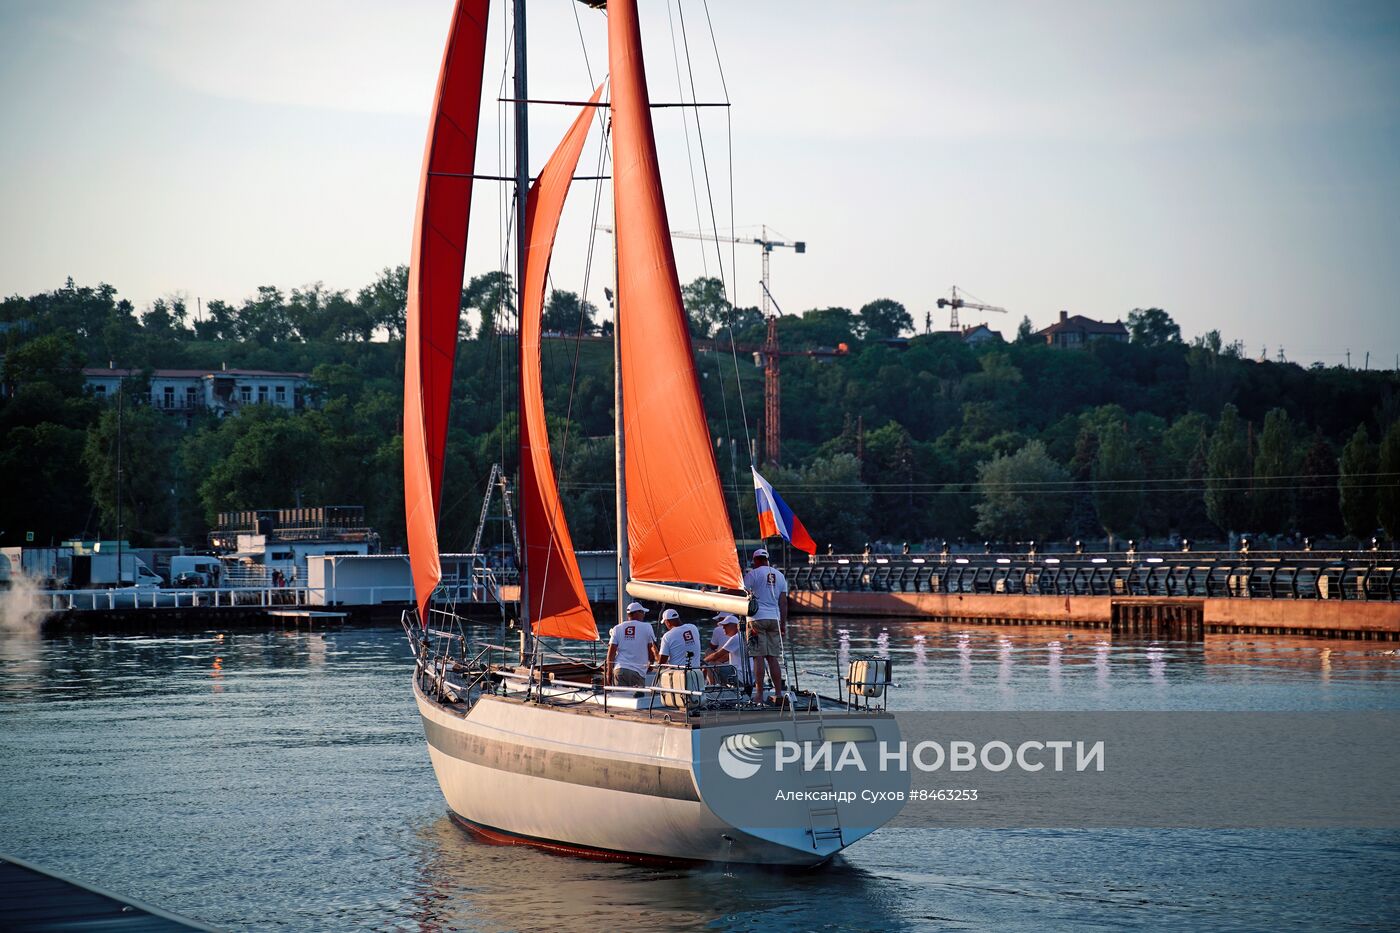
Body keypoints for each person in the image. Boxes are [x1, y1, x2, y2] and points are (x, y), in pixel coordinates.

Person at [742, 548, 788, 703]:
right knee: (773, 657)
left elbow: (740, 592)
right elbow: (783, 602)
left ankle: (759, 695)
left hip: (756, 619)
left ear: (755, 560)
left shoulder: (752, 574)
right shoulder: (780, 576)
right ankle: (779, 693)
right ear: (767, 559)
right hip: (774, 619)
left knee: (758, 657)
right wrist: (783, 624)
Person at [605, 602, 657, 688]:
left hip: (620, 670)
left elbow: (611, 652)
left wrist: (609, 672)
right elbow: (651, 648)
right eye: (643, 612)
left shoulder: (617, 628)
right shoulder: (647, 627)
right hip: (638, 672)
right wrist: (651, 664)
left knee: (621, 699)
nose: (644, 615)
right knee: (637, 698)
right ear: (637, 613)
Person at [703, 615, 749, 690]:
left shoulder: (736, 638)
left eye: (726, 625)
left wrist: (702, 662)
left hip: (740, 677)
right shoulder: (743, 636)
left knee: (710, 664)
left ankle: (714, 688)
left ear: (735, 626)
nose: (723, 628)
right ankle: (722, 686)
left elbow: (716, 655)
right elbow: (725, 657)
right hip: (748, 677)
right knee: (713, 662)